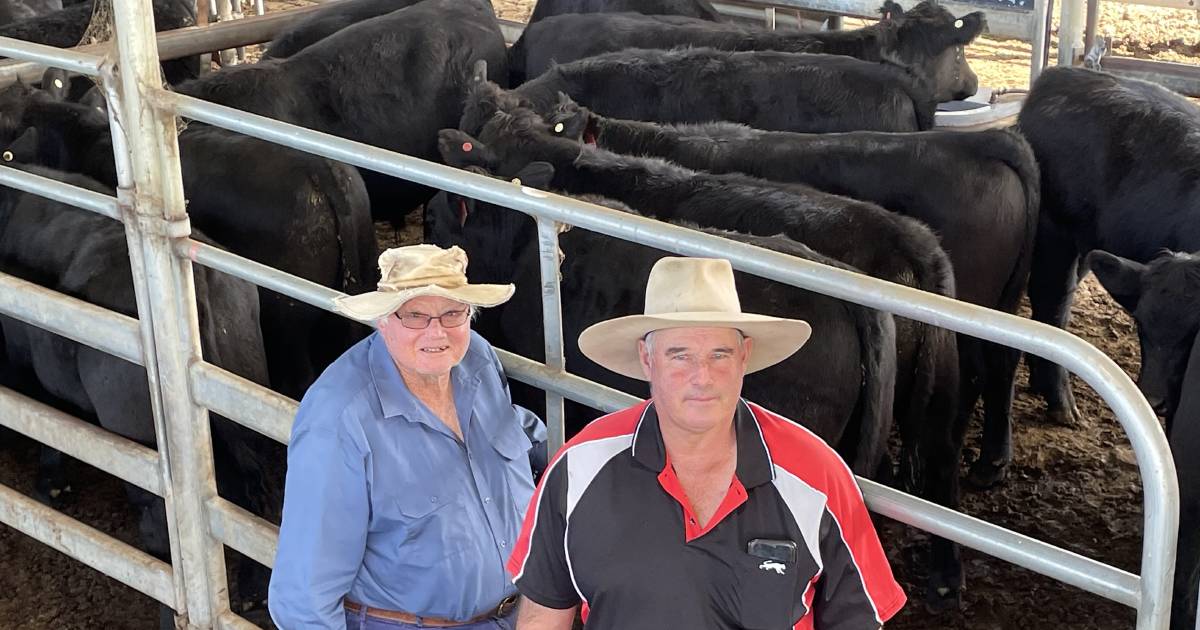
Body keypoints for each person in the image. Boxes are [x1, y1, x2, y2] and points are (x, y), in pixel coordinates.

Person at [507, 256, 906, 630]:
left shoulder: (816, 475)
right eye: (680, 356)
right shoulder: (579, 467)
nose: (703, 376)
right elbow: (543, 614)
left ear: (744, 356)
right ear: (647, 359)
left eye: (720, 354)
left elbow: (857, 620)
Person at [269, 244, 547, 630]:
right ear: (383, 319)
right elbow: (303, 600)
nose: (437, 332)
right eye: (415, 315)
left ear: (470, 314)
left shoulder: (477, 358)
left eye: (452, 312)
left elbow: (518, 430)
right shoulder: (339, 418)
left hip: (524, 613)